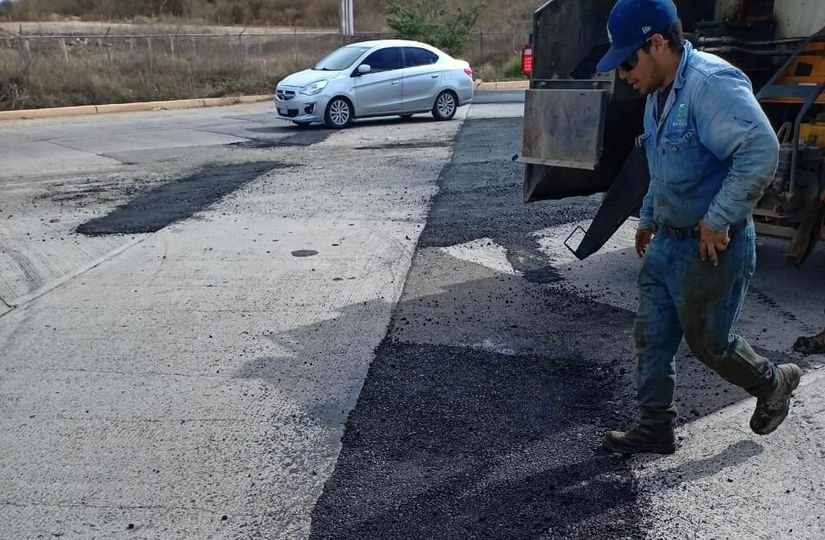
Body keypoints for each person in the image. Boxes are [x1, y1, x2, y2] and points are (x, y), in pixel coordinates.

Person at [595, 0, 802, 455]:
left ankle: (772, 381)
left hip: (712, 247)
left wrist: (717, 219)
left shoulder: (711, 84)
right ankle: (655, 427)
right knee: (651, 336)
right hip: (668, 242)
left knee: (711, 344)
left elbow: (759, 150)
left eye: (628, 60)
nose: (624, 74)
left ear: (657, 43)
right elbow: (660, 163)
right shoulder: (657, 96)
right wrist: (649, 217)